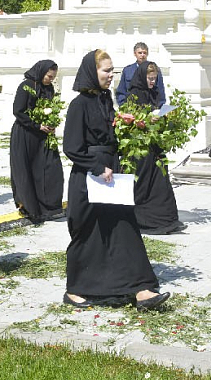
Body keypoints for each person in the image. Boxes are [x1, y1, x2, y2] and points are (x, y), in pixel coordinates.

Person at [62, 50, 168, 310]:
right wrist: (98, 166)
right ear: (92, 72)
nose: (111, 76)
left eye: (112, 71)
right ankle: (75, 290)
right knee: (87, 233)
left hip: (110, 174)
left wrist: (131, 130)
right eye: (106, 71)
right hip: (89, 178)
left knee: (123, 229)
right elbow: (72, 147)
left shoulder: (105, 99)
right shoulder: (79, 104)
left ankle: (140, 288)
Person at [126, 61, 186, 234]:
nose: (152, 82)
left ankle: (165, 218)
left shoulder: (155, 92)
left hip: (155, 144)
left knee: (160, 180)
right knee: (144, 181)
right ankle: (142, 218)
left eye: (154, 78)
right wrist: (145, 119)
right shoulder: (134, 94)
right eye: (150, 78)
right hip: (141, 146)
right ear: (142, 77)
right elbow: (131, 118)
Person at [10, 59, 66, 224]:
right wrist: (36, 125)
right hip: (25, 134)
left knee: (50, 169)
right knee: (26, 171)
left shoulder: (49, 88)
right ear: (41, 73)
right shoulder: (26, 86)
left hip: (43, 135)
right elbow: (18, 111)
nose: (50, 80)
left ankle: (50, 206)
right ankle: (31, 208)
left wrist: (51, 122)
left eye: (53, 77)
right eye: (49, 76)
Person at [116, 42, 166, 107]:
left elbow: (160, 91)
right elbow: (121, 91)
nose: (142, 55)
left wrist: (159, 107)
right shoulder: (128, 70)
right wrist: (124, 106)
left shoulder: (155, 70)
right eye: (140, 53)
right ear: (135, 53)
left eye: (144, 53)